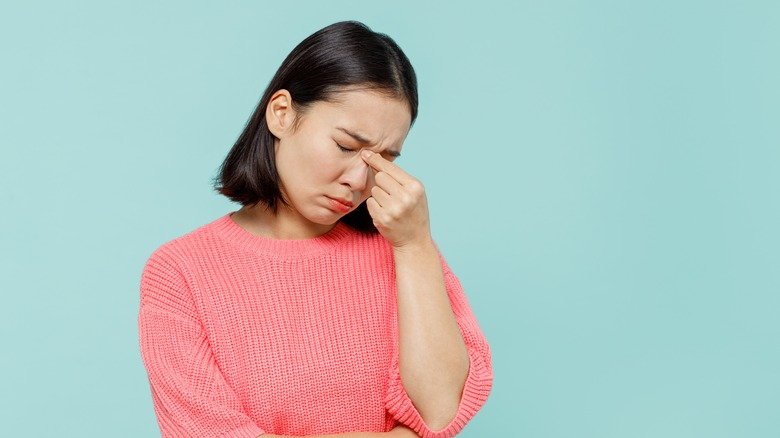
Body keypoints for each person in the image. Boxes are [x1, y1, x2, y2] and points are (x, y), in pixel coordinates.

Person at [137, 20, 494, 438]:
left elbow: (440, 413)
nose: (359, 180)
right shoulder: (180, 272)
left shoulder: (402, 251)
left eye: (385, 161)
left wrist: (415, 245)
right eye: (345, 146)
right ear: (282, 114)